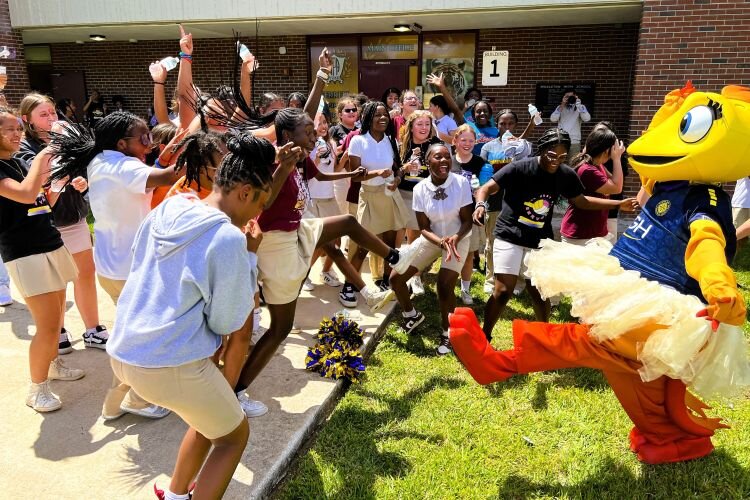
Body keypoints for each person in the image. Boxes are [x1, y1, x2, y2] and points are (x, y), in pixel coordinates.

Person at [234, 69, 417, 404]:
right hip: (276, 244)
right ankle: (239, 391)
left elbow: (307, 112)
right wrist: (283, 169)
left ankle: (395, 257)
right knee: (280, 329)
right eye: (307, 132)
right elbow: (263, 204)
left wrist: (320, 78)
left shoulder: (299, 152)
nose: (313, 136)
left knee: (346, 222)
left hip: (297, 228)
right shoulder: (274, 159)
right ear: (288, 134)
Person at [108, 132, 273, 500]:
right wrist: (249, 255)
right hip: (169, 362)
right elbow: (228, 322)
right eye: (261, 202)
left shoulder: (172, 205)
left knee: (208, 419)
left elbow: (141, 263)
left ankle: (177, 493)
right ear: (245, 192)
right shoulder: (229, 238)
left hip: (125, 352)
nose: (259, 212)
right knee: (234, 436)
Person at [49, 111, 190, 420]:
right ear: (122, 143)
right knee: (144, 338)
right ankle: (138, 400)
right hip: (131, 270)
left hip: (115, 268)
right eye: (144, 137)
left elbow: (145, 179)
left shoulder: (104, 161)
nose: (150, 142)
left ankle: (115, 402)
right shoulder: (122, 165)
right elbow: (165, 178)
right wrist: (198, 154)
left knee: (130, 336)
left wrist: (163, 157)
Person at [472, 128, 636, 339]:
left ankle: (546, 334)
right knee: (504, 290)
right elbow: (485, 188)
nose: (555, 161)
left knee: (539, 291)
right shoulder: (520, 168)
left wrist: (619, 204)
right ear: (542, 150)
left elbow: (582, 201)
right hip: (509, 233)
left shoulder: (565, 174)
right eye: (551, 155)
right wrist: (480, 205)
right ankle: (485, 335)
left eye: (561, 157)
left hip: (538, 239)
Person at [0, 107, 84, 412]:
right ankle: (37, 389)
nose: (16, 134)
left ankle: (53, 365)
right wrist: (42, 158)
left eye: (17, 129)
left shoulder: (19, 163)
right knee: (47, 326)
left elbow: (39, 201)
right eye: (8, 129)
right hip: (25, 252)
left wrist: (60, 187)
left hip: (49, 243)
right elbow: (23, 194)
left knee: (57, 317)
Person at [17, 92, 109, 354]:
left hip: (73, 216)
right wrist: (57, 169)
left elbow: (81, 170)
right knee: (54, 282)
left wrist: (82, 181)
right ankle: (56, 331)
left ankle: (93, 329)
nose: (51, 119)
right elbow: (38, 186)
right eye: (43, 114)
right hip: (45, 224)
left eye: (53, 113)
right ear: (28, 120)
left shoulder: (66, 140)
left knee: (85, 274)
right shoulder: (25, 148)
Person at [390, 143, 473, 355]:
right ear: (428, 162)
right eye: (438, 157)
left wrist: (452, 239)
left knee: (444, 285)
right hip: (432, 237)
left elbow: (466, 222)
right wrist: (439, 242)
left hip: (458, 237)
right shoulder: (419, 189)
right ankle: (412, 315)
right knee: (395, 278)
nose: (444, 160)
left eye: (447, 156)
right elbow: (423, 227)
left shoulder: (461, 183)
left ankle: (449, 333)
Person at [342, 100, 412, 302]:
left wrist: (397, 179)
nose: (382, 118)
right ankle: (349, 285)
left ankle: (386, 280)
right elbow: (354, 175)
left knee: (390, 244)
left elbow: (397, 168)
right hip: (370, 195)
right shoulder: (358, 141)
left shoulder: (390, 140)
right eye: (377, 115)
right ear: (367, 118)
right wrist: (376, 173)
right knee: (364, 245)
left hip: (389, 195)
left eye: (385, 115)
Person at [397, 109, 442, 295]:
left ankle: (414, 276)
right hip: (402, 194)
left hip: (422, 196)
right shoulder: (403, 144)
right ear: (411, 126)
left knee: (415, 238)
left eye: (427, 124)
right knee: (398, 238)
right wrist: (405, 167)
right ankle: (395, 273)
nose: (423, 128)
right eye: (419, 124)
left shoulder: (435, 144)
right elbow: (396, 169)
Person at [560, 127, 625, 244]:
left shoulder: (597, 165)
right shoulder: (587, 170)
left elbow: (615, 181)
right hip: (580, 234)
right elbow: (617, 188)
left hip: (592, 232)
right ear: (606, 151)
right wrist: (617, 159)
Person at [451, 124, 487, 305]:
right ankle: (448, 286)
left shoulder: (480, 163)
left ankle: (465, 289)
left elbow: (487, 188)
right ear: (455, 140)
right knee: (449, 254)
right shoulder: (448, 161)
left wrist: (479, 192)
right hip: (449, 215)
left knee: (468, 255)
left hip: (470, 216)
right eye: (463, 140)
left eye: (471, 141)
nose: (467, 144)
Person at [550, 89, 591, 157]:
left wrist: (579, 106)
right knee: (560, 162)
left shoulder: (581, 107)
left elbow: (587, 119)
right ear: (563, 97)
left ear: (575, 96)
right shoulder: (560, 107)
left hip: (574, 141)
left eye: (571, 96)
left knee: (573, 164)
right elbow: (553, 119)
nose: (570, 98)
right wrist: (562, 104)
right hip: (561, 140)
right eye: (567, 96)